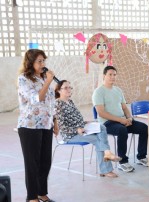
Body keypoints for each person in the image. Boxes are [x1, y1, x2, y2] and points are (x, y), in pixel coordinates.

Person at [54, 80, 121, 178]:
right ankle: (105, 169)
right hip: (70, 135)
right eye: (65, 88)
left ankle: (107, 154)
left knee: (101, 127)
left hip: (81, 128)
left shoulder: (70, 101)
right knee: (98, 140)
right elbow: (62, 126)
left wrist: (85, 123)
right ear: (59, 90)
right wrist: (76, 130)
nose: (69, 89)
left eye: (70, 87)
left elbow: (75, 118)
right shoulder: (58, 104)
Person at [17, 49, 57, 202]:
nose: (42, 64)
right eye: (39, 61)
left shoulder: (42, 79)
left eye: (43, 61)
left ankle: (41, 192)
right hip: (29, 126)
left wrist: (55, 122)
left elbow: (51, 103)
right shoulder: (24, 79)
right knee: (32, 163)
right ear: (30, 63)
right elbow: (36, 99)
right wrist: (48, 82)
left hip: (46, 125)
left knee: (45, 161)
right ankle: (32, 196)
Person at [92, 66, 148, 173]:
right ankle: (123, 162)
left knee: (144, 128)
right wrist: (120, 120)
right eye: (110, 75)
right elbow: (101, 113)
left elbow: (124, 107)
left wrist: (129, 118)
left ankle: (141, 156)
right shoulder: (98, 92)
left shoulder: (118, 90)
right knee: (122, 130)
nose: (112, 77)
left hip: (122, 120)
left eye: (114, 75)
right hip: (107, 123)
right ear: (104, 76)